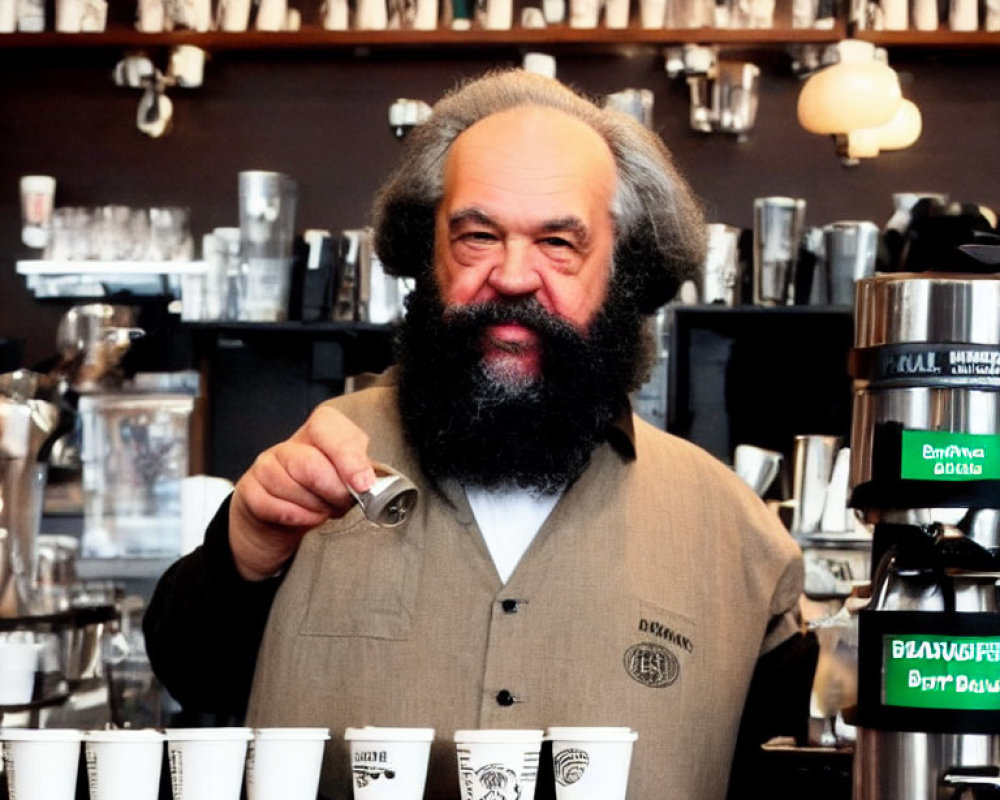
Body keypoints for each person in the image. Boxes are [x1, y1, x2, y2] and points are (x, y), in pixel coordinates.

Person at [144, 68, 812, 800]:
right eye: (477, 236)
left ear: (621, 267)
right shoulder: (314, 464)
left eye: (559, 242)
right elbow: (190, 678)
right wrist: (242, 550)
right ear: (427, 254)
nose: (513, 275)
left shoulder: (737, 538)